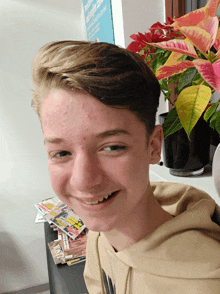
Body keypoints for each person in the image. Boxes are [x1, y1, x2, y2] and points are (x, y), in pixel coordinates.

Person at [31, 40, 220, 294]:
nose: (84, 182)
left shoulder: (206, 284)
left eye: (112, 147)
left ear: (154, 147)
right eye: (61, 152)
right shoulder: (102, 229)